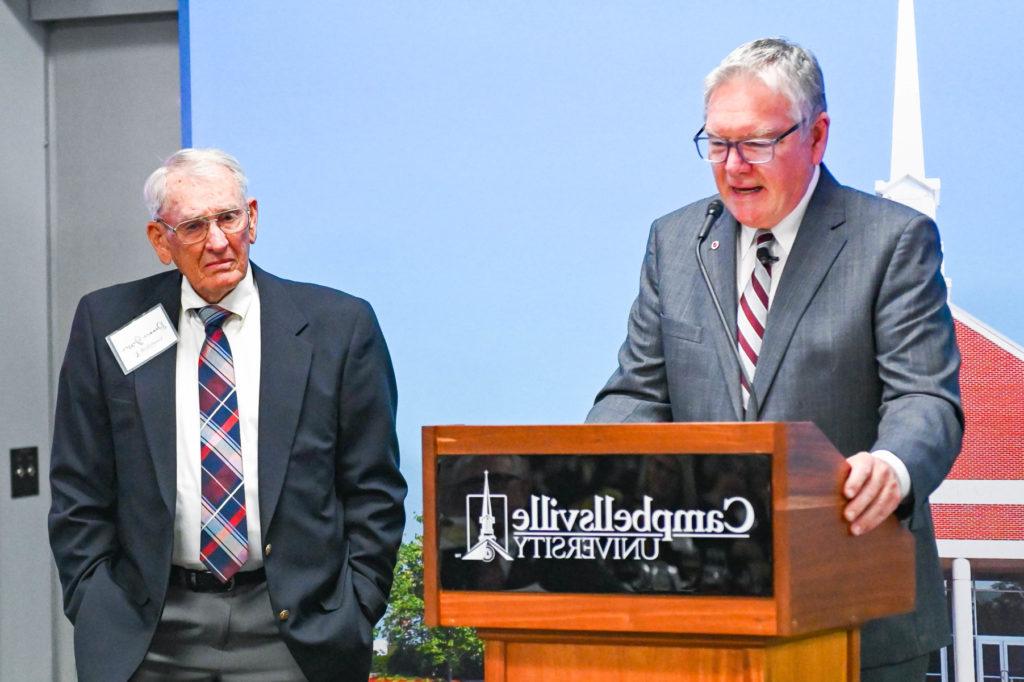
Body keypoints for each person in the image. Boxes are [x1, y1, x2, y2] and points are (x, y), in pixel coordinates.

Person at [586, 38, 962, 680]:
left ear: (816, 137)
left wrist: (893, 468)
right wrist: (609, 464)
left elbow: (925, 399)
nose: (733, 166)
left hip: (858, 615)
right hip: (705, 611)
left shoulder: (892, 241)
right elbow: (636, 393)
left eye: (756, 143)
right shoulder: (675, 242)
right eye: (717, 144)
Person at [48, 148, 407, 682]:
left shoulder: (339, 326)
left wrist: (358, 604)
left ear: (253, 219)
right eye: (193, 226)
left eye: (228, 218)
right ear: (159, 241)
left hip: (295, 634)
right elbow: (79, 486)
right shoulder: (108, 323)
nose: (217, 241)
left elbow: (373, 488)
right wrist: (95, 602)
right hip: (151, 633)